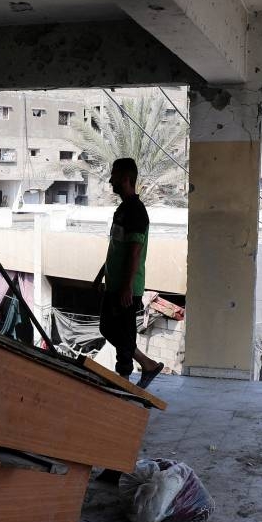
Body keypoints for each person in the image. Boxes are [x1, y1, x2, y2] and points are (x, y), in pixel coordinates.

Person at [92, 158, 164, 389]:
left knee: (118, 330)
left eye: (113, 175)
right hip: (115, 283)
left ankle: (135, 371)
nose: (110, 180)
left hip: (127, 286)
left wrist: (126, 286)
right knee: (112, 329)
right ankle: (135, 371)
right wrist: (100, 275)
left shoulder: (136, 212)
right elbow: (116, 248)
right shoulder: (122, 210)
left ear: (125, 178)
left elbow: (134, 252)